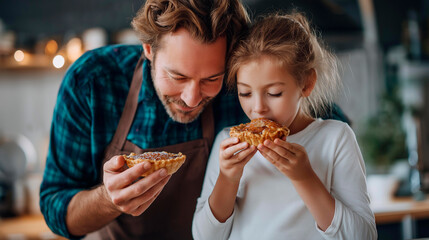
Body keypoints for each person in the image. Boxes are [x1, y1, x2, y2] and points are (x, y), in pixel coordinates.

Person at [39, 0, 250, 239]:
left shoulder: (241, 88)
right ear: (149, 48)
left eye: (211, 79)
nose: (191, 99)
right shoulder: (91, 81)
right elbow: (54, 208)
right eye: (177, 77)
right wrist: (109, 200)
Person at [192, 12, 377, 240]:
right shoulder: (228, 143)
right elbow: (203, 237)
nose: (258, 108)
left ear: (306, 83)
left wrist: (304, 178)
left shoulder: (336, 138)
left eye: (274, 93)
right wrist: (227, 179)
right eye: (245, 93)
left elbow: (363, 236)